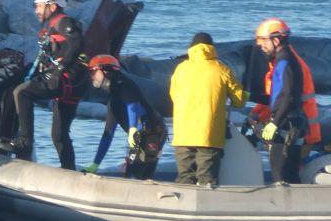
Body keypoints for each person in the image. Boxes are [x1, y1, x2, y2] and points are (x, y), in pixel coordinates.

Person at [11, 0, 87, 168]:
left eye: (39, 6)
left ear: (52, 7)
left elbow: (77, 44)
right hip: (72, 83)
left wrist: (59, 69)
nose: (36, 11)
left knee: (22, 93)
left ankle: (25, 141)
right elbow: (44, 58)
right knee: (59, 135)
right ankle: (69, 170)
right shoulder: (50, 26)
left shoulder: (63, 21)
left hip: (66, 79)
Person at [168, 32, 246, 186]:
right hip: (209, 135)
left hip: (183, 134)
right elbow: (239, 101)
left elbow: (173, 95)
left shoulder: (180, 69)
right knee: (207, 181)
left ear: (192, 48)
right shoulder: (221, 69)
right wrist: (246, 93)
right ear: (211, 48)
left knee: (185, 179)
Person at [251, 18, 320, 184]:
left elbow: (288, 96)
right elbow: (278, 96)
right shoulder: (284, 60)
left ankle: (284, 199)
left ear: (276, 40)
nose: (260, 45)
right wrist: (252, 101)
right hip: (292, 124)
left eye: (263, 40)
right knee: (290, 174)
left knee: (280, 175)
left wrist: (274, 123)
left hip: (286, 126)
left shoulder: (285, 62)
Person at [81, 54, 167, 179]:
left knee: (139, 172)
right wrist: (95, 164)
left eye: (93, 72)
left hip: (154, 131)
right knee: (130, 173)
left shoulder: (123, 83)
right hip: (138, 137)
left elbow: (132, 104)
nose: (91, 76)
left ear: (105, 71)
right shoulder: (113, 101)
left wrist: (132, 128)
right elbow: (108, 134)